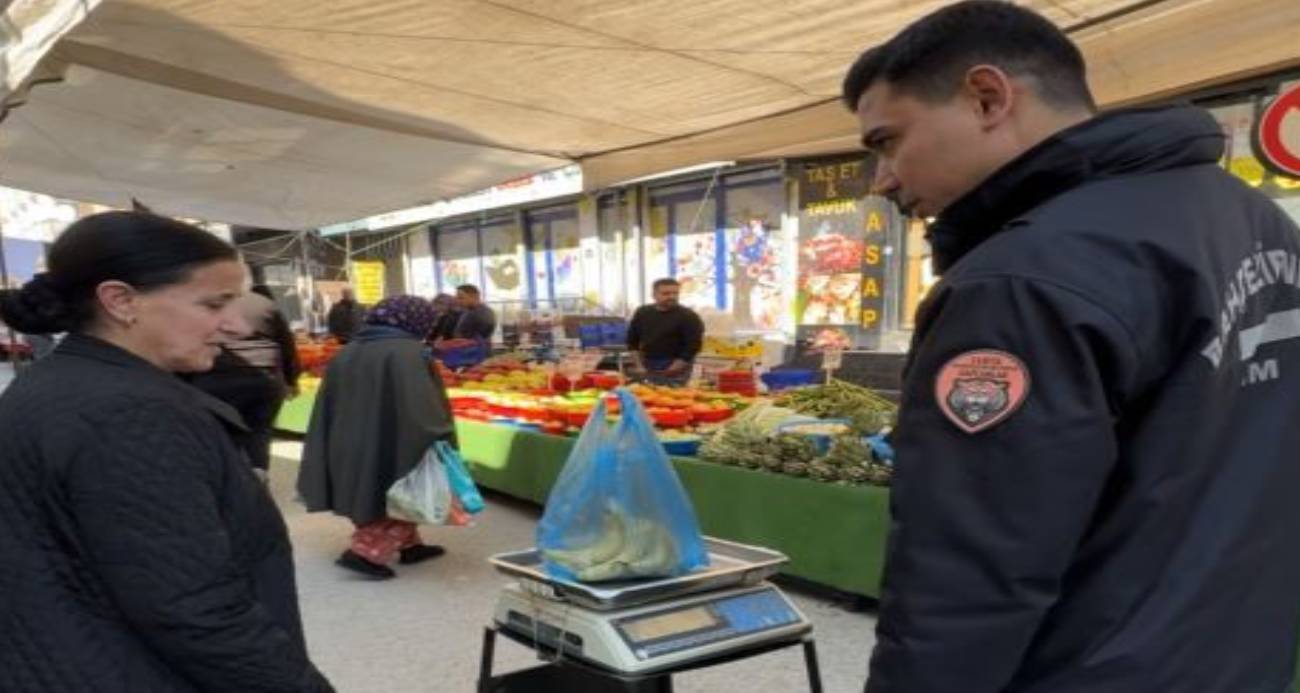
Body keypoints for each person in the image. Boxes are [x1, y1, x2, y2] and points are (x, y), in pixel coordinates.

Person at [842, 3, 1300, 692]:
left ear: (988, 97)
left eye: (887, 141)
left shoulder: (1019, 282)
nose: (882, 179)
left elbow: (971, 574)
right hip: (1234, 657)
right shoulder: (1255, 219)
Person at [0, 211, 333, 692]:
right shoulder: (132, 413)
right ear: (121, 301)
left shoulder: (58, 380)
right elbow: (196, 610)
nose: (236, 327)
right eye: (214, 304)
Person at [298, 294, 456, 580]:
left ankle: (411, 546)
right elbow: (420, 405)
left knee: (370, 491)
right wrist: (439, 432)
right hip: (392, 437)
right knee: (408, 491)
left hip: (348, 437)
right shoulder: (408, 353)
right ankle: (365, 553)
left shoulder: (350, 349)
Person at [187, 284, 301, 474]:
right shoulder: (264, 304)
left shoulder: (205, 301)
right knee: (259, 433)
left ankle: (228, 477)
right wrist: (291, 380)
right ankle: (258, 476)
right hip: (264, 378)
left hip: (217, 377)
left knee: (220, 433)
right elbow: (286, 344)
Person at [626, 278, 704, 386]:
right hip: (647, 363)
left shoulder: (688, 316)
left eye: (675, 293)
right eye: (666, 293)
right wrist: (639, 366)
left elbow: (693, 345)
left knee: (673, 395)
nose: (672, 297)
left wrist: (676, 366)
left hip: (676, 366)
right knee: (646, 393)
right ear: (654, 295)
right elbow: (632, 341)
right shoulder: (642, 312)